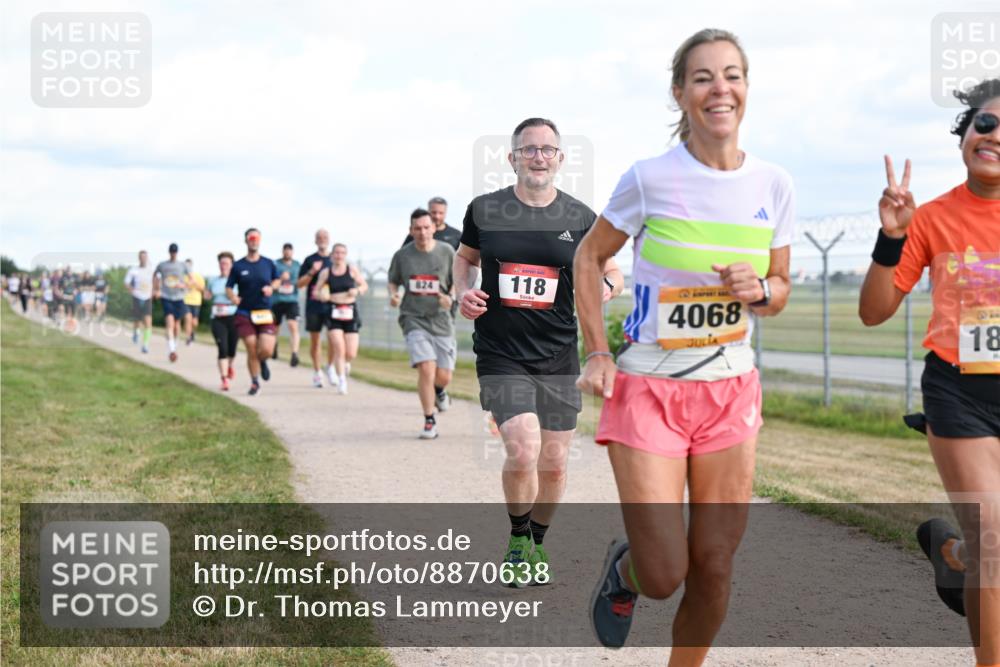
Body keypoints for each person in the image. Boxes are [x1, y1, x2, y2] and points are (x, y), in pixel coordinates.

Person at [575, 30, 795, 662]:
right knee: (666, 573)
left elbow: (778, 291)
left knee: (716, 565)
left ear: (746, 88)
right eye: (703, 77)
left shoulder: (774, 184)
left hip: (730, 388)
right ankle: (627, 575)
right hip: (650, 388)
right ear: (681, 93)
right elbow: (589, 257)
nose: (719, 88)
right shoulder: (649, 179)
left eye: (732, 75)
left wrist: (761, 289)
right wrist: (597, 350)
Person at [859, 78, 1000, 667]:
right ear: (966, 131)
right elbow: (874, 311)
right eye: (986, 123)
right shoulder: (933, 217)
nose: (994, 136)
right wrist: (892, 238)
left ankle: (953, 553)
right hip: (959, 392)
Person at [455, 117, 623, 587]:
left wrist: (609, 283)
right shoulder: (485, 210)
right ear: (512, 158)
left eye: (547, 150)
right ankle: (515, 540)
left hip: (557, 354)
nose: (538, 157)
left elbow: (611, 268)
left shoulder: (580, 217)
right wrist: (461, 292)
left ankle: (536, 544)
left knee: (553, 463)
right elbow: (465, 259)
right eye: (529, 149)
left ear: (560, 159)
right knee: (524, 448)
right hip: (500, 351)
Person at [389, 209, 456, 438]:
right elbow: (393, 281)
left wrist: (451, 296)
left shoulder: (447, 252)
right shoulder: (402, 256)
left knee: (444, 375)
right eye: (417, 228)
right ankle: (429, 420)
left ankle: (439, 391)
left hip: (441, 319)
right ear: (411, 230)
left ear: (434, 228)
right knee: (426, 367)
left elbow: (458, 279)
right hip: (413, 317)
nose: (422, 232)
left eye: (426, 227)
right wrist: (394, 295)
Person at [226, 228, 280, 396]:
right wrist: (233, 297)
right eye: (251, 238)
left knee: (266, 350)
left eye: (256, 238)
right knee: (251, 346)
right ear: (246, 241)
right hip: (245, 313)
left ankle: (263, 361)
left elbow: (277, 280)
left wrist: (272, 288)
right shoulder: (238, 265)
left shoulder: (268, 263)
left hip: (264, 312)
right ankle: (255, 382)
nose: (253, 241)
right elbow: (229, 287)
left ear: (260, 240)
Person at [321, 242, 368, 394]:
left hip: (350, 312)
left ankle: (344, 363)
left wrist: (357, 290)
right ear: (332, 255)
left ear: (345, 255)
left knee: (351, 353)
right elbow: (316, 290)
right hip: (333, 312)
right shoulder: (326, 272)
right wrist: (323, 294)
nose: (339, 255)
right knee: (339, 348)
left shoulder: (352, 270)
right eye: (336, 253)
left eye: (342, 253)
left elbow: (364, 286)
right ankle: (342, 380)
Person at [298, 229, 337, 388]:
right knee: (315, 341)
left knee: (334, 338)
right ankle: (317, 372)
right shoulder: (309, 260)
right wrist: (312, 271)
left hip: (331, 305)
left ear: (329, 240)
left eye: (325, 237)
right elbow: (299, 284)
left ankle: (331, 366)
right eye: (319, 237)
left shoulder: (335, 259)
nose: (322, 240)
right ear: (315, 241)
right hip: (314, 305)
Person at [206, 252, 239, 391]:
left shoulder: (237, 281)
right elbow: (207, 295)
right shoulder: (213, 280)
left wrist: (232, 296)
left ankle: (229, 365)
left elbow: (241, 298)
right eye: (221, 263)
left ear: (232, 265)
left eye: (226, 263)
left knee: (232, 349)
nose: (223, 266)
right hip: (218, 318)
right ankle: (224, 378)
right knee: (222, 348)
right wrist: (206, 294)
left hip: (233, 316)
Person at [153, 243, 190, 363]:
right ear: (169, 252)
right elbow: (155, 276)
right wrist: (156, 289)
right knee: (170, 322)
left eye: (175, 252)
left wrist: (183, 285)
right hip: (166, 296)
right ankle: (172, 350)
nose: (173, 254)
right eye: (171, 252)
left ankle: (175, 343)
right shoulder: (162, 265)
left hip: (179, 297)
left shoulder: (182, 265)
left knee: (177, 324)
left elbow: (191, 280)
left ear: (177, 252)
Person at [272, 242, 302, 367]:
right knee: (275, 328)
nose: (287, 253)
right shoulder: (276, 264)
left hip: (292, 301)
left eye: (290, 250)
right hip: (277, 300)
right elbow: (271, 280)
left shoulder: (297, 265)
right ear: (282, 251)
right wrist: (281, 278)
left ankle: (294, 353)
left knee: (293, 325)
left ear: (292, 252)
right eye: (285, 250)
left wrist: (293, 282)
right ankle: (274, 346)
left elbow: (301, 281)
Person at [124, 251, 155, 353]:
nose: (143, 259)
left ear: (147, 258)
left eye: (145, 257)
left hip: (147, 298)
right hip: (137, 297)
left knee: (148, 322)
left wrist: (156, 290)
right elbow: (126, 282)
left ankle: (145, 345)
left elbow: (156, 281)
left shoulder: (151, 270)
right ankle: (136, 332)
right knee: (137, 320)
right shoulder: (134, 270)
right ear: (139, 258)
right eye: (141, 257)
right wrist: (131, 290)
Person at [183, 259, 205, 345]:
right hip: (185, 300)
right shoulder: (182, 276)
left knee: (194, 322)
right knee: (187, 319)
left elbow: (203, 289)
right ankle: (188, 338)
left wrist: (195, 284)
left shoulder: (197, 276)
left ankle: (192, 333)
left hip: (196, 301)